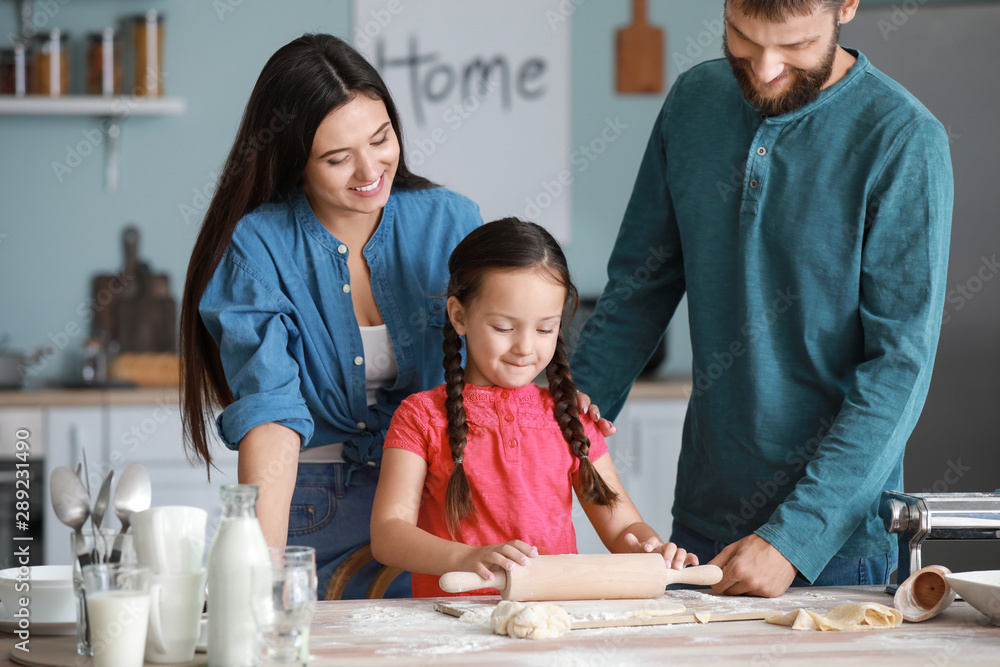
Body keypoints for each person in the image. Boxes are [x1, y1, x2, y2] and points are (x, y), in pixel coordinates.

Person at [571, 0, 953, 598]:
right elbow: (638, 290)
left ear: (846, 7)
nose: (767, 69)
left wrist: (792, 539)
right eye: (744, 38)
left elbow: (898, 369)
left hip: (833, 546)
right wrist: (555, 430)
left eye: (795, 46)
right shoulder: (693, 101)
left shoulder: (903, 139)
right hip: (697, 529)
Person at [179, 34, 484, 599]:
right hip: (315, 506)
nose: (369, 170)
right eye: (337, 158)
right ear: (294, 163)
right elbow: (272, 417)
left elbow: (492, 380)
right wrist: (261, 578)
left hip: (439, 503)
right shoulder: (258, 246)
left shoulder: (452, 221)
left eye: (381, 138)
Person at [369, 218, 698, 597]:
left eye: (545, 329)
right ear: (459, 315)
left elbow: (622, 527)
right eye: (504, 328)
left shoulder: (569, 417)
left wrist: (651, 549)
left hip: (552, 621)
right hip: (454, 628)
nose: (526, 347)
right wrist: (467, 557)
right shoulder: (421, 417)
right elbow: (389, 534)